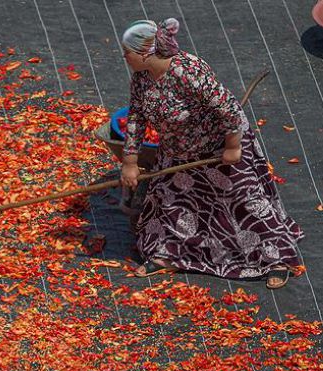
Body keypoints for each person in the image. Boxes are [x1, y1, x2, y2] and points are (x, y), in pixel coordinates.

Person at [119, 18, 303, 289]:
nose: (124, 57)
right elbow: (136, 116)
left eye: (128, 52)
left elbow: (227, 108)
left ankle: (276, 260)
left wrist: (232, 147)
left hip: (218, 147)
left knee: (245, 202)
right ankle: (167, 255)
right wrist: (130, 161)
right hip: (178, 152)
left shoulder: (188, 71)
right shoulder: (141, 79)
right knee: (170, 205)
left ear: (146, 51)